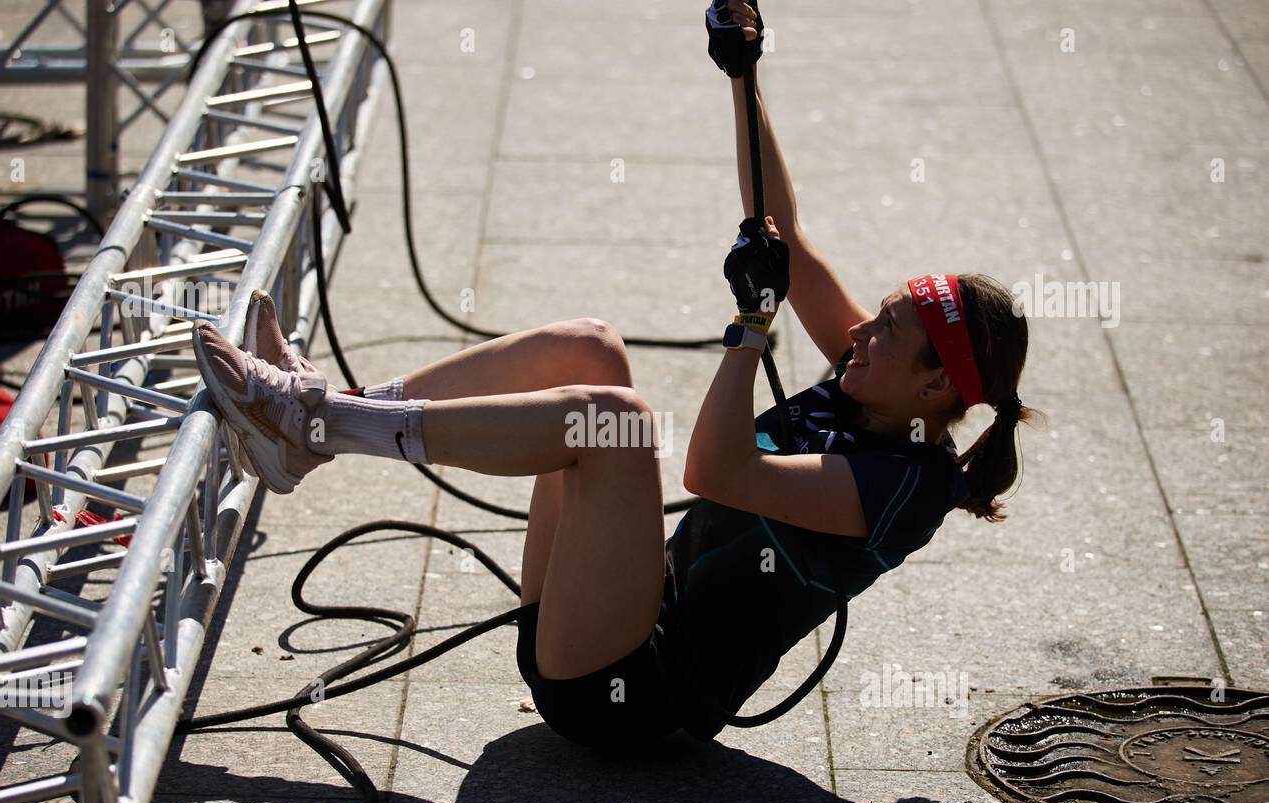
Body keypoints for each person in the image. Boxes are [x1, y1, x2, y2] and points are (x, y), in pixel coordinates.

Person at [190, 0, 1039, 750]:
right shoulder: (877, 381)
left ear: (934, 389)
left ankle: (313, 421)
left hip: (624, 695)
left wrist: (750, 329)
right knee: (591, 344)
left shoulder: (904, 486)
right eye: (877, 311)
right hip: (591, 616)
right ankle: (329, 421)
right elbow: (781, 229)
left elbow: (717, 472)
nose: (858, 328)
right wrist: (743, 72)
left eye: (888, 329)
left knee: (619, 420)